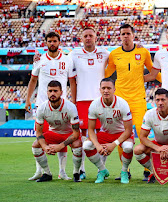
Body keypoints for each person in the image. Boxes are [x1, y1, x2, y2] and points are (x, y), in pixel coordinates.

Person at [105, 24, 161, 180]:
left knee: (144, 134)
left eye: (128, 33)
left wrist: (166, 82)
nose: (125, 36)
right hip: (121, 101)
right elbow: (106, 73)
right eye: (123, 34)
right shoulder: (114, 54)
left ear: (133, 35)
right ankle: (125, 171)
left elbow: (153, 71)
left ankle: (148, 170)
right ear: (120, 36)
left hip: (138, 100)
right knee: (122, 135)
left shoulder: (143, 52)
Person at [26, 32, 76, 181]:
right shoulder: (40, 60)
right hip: (42, 105)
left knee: (62, 137)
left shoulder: (67, 59)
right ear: (46, 43)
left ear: (59, 42)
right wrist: (28, 99)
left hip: (62, 106)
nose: (52, 43)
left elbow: (72, 81)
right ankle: (40, 171)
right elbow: (33, 80)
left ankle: (62, 171)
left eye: (54, 41)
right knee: (40, 138)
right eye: (49, 41)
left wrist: (73, 100)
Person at [68, 27, 110, 180]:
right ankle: (82, 170)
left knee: (101, 136)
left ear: (95, 37)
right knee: (84, 137)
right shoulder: (74, 54)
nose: (88, 38)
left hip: (101, 101)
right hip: (82, 100)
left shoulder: (105, 53)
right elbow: (71, 78)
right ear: (82, 38)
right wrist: (73, 100)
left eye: (90, 35)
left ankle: (102, 169)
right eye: (85, 36)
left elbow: (120, 58)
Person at [83, 78, 134, 184]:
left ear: (114, 89)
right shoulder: (94, 105)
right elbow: (91, 129)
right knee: (86, 146)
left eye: (109, 88)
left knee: (128, 147)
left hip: (122, 133)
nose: (106, 90)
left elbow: (128, 130)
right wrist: (97, 145)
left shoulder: (122, 104)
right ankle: (102, 170)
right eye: (103, 88)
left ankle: (124, 171)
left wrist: (113, 144)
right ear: (100, 90)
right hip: (105, 133)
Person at [31, 80, 82, 182]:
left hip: (70, 134)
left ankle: (76, 173)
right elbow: (39, 132)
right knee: (36, 145)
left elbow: (76, 133)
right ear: (47, 93)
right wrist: (45, 146)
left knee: (78, 145)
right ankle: (47, 173)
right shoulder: (42, 108)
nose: (52, 93)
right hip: (54, 133)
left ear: (61, 92)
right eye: (50, 91)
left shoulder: (70, 107)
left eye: (55, 91)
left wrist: (60, 146)